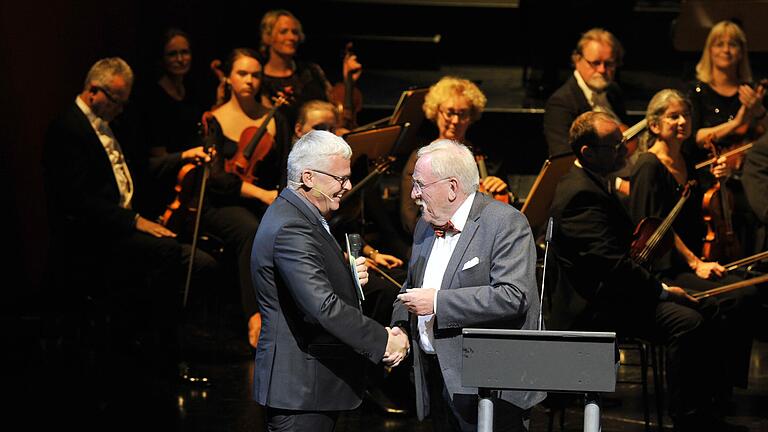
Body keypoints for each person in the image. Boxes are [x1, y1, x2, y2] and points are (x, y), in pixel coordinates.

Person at [548, 110, 747, 432]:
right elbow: (611, 266)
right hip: (596, 307)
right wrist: (663, 290)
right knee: (689, 322)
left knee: (711, 307)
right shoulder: (579, 194)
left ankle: (708, 409)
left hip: (616, 293)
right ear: (587, 152)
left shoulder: (596, 182)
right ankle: (687, 419)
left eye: (622, 142)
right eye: (614, 146)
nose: (624, 150)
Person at [41, 57, 215, 402]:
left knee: (201, 263)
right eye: (116, 99)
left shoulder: (105, 124)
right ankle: (163, 356)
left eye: (124, 101)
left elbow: (135, 172)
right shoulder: (68, 128)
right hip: (93, 237)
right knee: (170, 254)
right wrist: (135, 222)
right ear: (93, 91)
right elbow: (77, 201)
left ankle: (153, 342)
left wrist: (182, 158)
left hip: (119, 227)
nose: (121, 108)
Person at [250, 130, 409, 431]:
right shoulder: (292, 228)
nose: (347, 186)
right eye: (340, 178)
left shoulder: (300, 216)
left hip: (312, 389)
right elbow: (321, 307)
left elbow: (308, 289)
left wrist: (347, 279)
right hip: (301, 391)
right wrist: (384, 342)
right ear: (308, 177)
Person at [391, 139, 545, 431]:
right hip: (437, 377)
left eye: (420, 185)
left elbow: (512, 296)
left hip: (490, 383)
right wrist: (399, 325)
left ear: (451, 187)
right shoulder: (425, 224)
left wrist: (438, 302)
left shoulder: (505, 223)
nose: (413, 195)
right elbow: (410, 287)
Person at [628, 89, 758, 403]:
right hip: (664, 267)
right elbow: (655, 227)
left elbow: (700, 213)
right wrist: (695, 263)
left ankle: (721, 390)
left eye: (685, 115)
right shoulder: (648, 166)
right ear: (655, 125)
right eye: (673, 116)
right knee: (734, 299)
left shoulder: (688, 161)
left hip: (691, 259)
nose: (682, 121)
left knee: (747, 291)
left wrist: (720, 179)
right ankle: (703, 397)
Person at [200, 47, 294, 349]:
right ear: (228, 77)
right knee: (251, 231)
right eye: (242, 73)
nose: (250, 80)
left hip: (263, 200)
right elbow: (216, 179)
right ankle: (255, 317)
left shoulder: (275, 118)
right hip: (222, 204)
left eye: (256, 75)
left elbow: (283, 167)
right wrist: (261, 194)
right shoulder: (213, 119)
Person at [685, 20, 767, 254]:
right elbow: (695, 136)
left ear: (742, 52)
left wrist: (759, 111)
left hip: (749, 173)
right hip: (710, 173)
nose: (726, 50)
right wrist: (738, 123)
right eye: (719, 44)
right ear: (709, 50)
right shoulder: (698, 92)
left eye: (733, 45)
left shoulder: (751, 92)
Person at [400, 76, 509, 244]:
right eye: (450, 113)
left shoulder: (482, 156)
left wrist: (502, 192)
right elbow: (410, 220)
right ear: (436, 112)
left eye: (463, 114)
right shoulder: (421, 158)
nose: (456, 121)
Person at [258, 9, 362, 127]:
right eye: (283, 31)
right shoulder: (260, 79)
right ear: (267, 37)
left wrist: (348, 82)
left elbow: (336, 112)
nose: (292, 37)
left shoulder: (312, 71)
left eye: (295, 32)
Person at [543, 28, 629, 158]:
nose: (602, 70)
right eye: (595, 63)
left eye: (609, 63)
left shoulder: (613, 91)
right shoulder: (560, 104)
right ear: (577, 60)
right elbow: (563, 158)